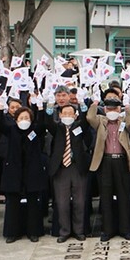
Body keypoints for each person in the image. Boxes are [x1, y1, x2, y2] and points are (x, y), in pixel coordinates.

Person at [87, 97, 130, 241]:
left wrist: (127, 107)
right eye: (109, 109)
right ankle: (107, 230)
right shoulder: (101, 122)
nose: (112, 112)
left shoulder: (124, 122)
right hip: (105, 161)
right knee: (106, 196)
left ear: (119, 110)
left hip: (121, 161)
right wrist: (95, 103)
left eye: (115, 109)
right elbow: (90, 117)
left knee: (123, 195)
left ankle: (125, 229)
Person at [0, 105, 47, 243]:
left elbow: (43, 124)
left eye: (27, 117)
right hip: (14, 172)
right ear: (16, 119)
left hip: (32, 172)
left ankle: (33, 232)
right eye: (21, 118)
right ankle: (12, 233)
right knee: (12, 203)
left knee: (33, 203)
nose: (24, 120)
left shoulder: (35, 131)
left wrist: (41, 108)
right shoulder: (11, 130)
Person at [46, 104, 90, 243]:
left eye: (70, 114)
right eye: (64, 114)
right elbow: (47, 122)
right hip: (61, 168)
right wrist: (48, 108)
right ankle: (64, 231)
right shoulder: (57, 128)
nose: (67, 116)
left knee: (79, 201)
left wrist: (83, 106)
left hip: (77, 167)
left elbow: (85, 121)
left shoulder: (78, 127)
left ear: (75, 115)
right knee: (62, 202)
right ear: (60, 115)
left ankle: (79, 231)